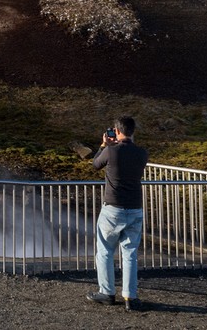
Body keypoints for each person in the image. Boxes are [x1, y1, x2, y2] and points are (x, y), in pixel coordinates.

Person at [87, 115, 148, 312]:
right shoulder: (142, 153)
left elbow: (96, 164)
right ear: (133, 131)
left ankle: (107, 292)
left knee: (105, 251)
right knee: (129, 253)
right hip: (135, 208)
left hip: (112, 208)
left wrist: (104, 145)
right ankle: (130, 296)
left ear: (117, 131)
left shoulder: (111, 151)